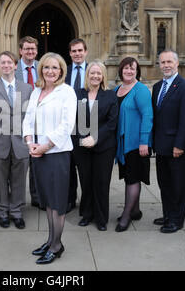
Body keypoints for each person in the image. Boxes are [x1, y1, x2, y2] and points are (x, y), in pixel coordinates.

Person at [23, 52, 77, 264]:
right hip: (38, 153)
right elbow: (28, 119)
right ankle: (50, 240)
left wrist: (45, 146)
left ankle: (57, 245)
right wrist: (30, 143)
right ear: (41, 69)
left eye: (55, 68)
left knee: (57, 202)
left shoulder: (67, 92)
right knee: (46, 200)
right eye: (46, 67)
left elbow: (66, 125)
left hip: (56, 153)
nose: (50, 71)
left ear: (61, 70)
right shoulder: (37, 91)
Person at [0, 51, 33, 229]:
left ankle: (16, 212)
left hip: (21, 144)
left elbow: (30, 118)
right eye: (3, 63)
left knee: (19, 181)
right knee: (0, 181)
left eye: (9, 62)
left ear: (16, 65)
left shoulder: (27, 88)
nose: (6, 66)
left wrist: (30, 141)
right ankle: (2, 212)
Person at [152, 50, 185, 233]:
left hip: (177, 146)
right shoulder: (157, 87)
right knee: (164, 183)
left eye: (169, 61)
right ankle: (168, 214)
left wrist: (179, 145)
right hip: (161, 145)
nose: (166, 65)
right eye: (163, 62)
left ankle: (177, 220)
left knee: (178, 185)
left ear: (177, 63)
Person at [73, 61, 118, 231]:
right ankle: (87, 214)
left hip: (104, 147)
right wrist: (82, 138)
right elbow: (73, 119)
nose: (95, 76)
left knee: (101, 182)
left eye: (99, 73)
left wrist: (95, 137)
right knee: (86, 181)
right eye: (92, 73)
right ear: (87, 75)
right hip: (82, 146)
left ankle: (101, 218)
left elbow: (112, 122)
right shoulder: (78, 93)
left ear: (103, 76)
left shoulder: (110, 95)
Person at [114, 57, 153, 232]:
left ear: (137, 71)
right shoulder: (117, 89)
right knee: (129, 177)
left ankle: (126, 215)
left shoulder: (141, 90)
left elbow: (147, 116)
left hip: (136, 143)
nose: (129, 71)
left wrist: (144, 141)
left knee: (132, 179)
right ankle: (135, 210)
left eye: (133, 69)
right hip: (123, 142)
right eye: (126, 68)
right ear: (121, 70)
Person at [14, 36, 41, 209]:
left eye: (33, 49)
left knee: (38, 162)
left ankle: (37, 198)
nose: (30, 52)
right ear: (20, 51)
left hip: (40, 121)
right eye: (27, 49)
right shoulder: (13, 67)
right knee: (20, 163)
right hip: (19, 121)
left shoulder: (43, 66)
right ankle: (17, 201)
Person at [64, 38, 89, 213]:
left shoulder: (93, 71)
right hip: (68, 125)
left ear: (85, 52)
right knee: (68, 166)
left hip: (88, 125)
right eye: (74, 51)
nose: (77, 54)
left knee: (86, 168)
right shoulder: (64, 72)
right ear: (70, 53)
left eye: (80, 50)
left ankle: (87, 202)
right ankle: (70, 199)